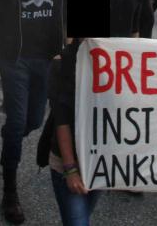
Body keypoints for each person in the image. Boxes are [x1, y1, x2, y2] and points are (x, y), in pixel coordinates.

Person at [0, 0, 73, 224]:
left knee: (32, 121)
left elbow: (71, 17)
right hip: (14, 60)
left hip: (48, 61)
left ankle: (11, 136)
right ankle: (10, 193)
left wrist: (67, 55)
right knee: (18, 120)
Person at [48, 38, 103, 225]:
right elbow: (61, 119)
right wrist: (70, 170)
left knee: (82, 216)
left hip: (99, 164)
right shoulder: (62, 63)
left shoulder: (113, 61)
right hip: (68, 164)